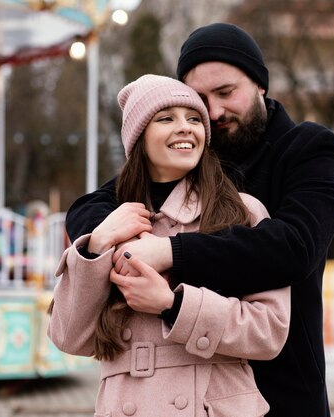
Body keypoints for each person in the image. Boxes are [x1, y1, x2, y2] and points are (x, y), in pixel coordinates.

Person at [64, 23, 334, 417]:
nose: (214, 112)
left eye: (226, 93)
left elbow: (293, 247)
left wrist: (167, 253)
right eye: (200, 98)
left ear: (260, 85)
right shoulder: (190, 160)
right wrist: (107, 243)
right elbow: (91, 205)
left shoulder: (307, 149)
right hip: (184, 383)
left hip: (284, 384)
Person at [48, 74, 291, 417]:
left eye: (194, 119)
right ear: (138, 137)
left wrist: (172, 304)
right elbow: (69, 338)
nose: (185, 128)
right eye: (166, 118)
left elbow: (269, 332)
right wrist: (97, 244)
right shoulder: (111, 221)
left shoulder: (242, 211)